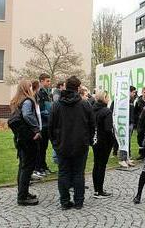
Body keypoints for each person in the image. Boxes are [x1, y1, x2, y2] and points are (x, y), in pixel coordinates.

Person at [49, 76, 95, 210]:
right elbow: (92, 124)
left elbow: (51, 127)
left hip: (63, 144)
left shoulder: (57, 105)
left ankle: (65, 201)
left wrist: (55, 143)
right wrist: (89, 140)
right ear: (78, 87)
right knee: (78, 173)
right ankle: (78, 201)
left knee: (63, 173)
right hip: (79, 144)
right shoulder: (84, 104)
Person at [10, 80, 41, 206]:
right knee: (27, 167)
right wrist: (36, 129)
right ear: (25, 88)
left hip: (20, 138)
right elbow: (27, 115)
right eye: (29, 86)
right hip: (28, 138)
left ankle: (23, 192)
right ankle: (22, 197)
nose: (31, 88)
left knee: (23, 166)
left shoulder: (16, 101)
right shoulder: (27, 101)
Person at [92, 90, 115, 198]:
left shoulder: (92, 109)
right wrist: (112, 142)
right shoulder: (106, 111)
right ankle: (99, 190)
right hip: (104, 142)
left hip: (95, 140)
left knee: (96, 164)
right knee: (101, 166)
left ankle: (96, 189)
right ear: (104, 98)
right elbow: (108, 129)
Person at [110, 86, 137, 167]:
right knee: (123, 141)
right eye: (133, 92)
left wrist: (133, 122)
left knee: (127, 142)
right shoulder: (119, 100)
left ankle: (126, 158)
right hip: (123, 124)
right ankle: (122, 159)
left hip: (130, 123)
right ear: (129, 92)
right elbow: (112, 110)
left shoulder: (131, 100)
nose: (134, 94)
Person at [36, 73, 53, 176]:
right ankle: (39, 167)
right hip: (42, 124)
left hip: (47, 124)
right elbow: (40, 109)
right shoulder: (39, 93)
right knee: (41, 148)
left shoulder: (48, 92)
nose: (49, 83)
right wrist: (48, 114)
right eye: (47, 81)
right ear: (41, 81)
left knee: (44, 147)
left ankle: (44, 166)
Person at [31, 80, 44, 180]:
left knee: (39, 149)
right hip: (35, 128)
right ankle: (35, 170)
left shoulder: (36, 96)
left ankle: (36, 169)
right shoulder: (33, 97)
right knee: (35, 150)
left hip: (38, 126)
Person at [134, 87, 145, 160]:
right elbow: (135, 111)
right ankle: (141, 153)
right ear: (142, 93)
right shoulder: (139, 101)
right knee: (140, 137)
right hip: (140, 122)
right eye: (144, 92)